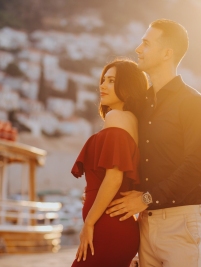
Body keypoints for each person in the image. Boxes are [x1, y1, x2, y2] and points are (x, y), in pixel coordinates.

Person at [106, 19, 201, 267]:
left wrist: (145, 199)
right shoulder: (141, 105)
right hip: (145, 222)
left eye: (146, 43)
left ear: (167, 53)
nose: (138, 49)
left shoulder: (194, 104)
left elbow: (196, 167)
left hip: (182, 223)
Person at [71, 58, 148, 267]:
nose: (103, 85)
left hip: (107, 228)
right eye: (103, 80)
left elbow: (114, 179)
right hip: (115, 227)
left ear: (128, 87)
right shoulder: (133, 120)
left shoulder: (116, 117)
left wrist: (88, 223)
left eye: (112, 81)